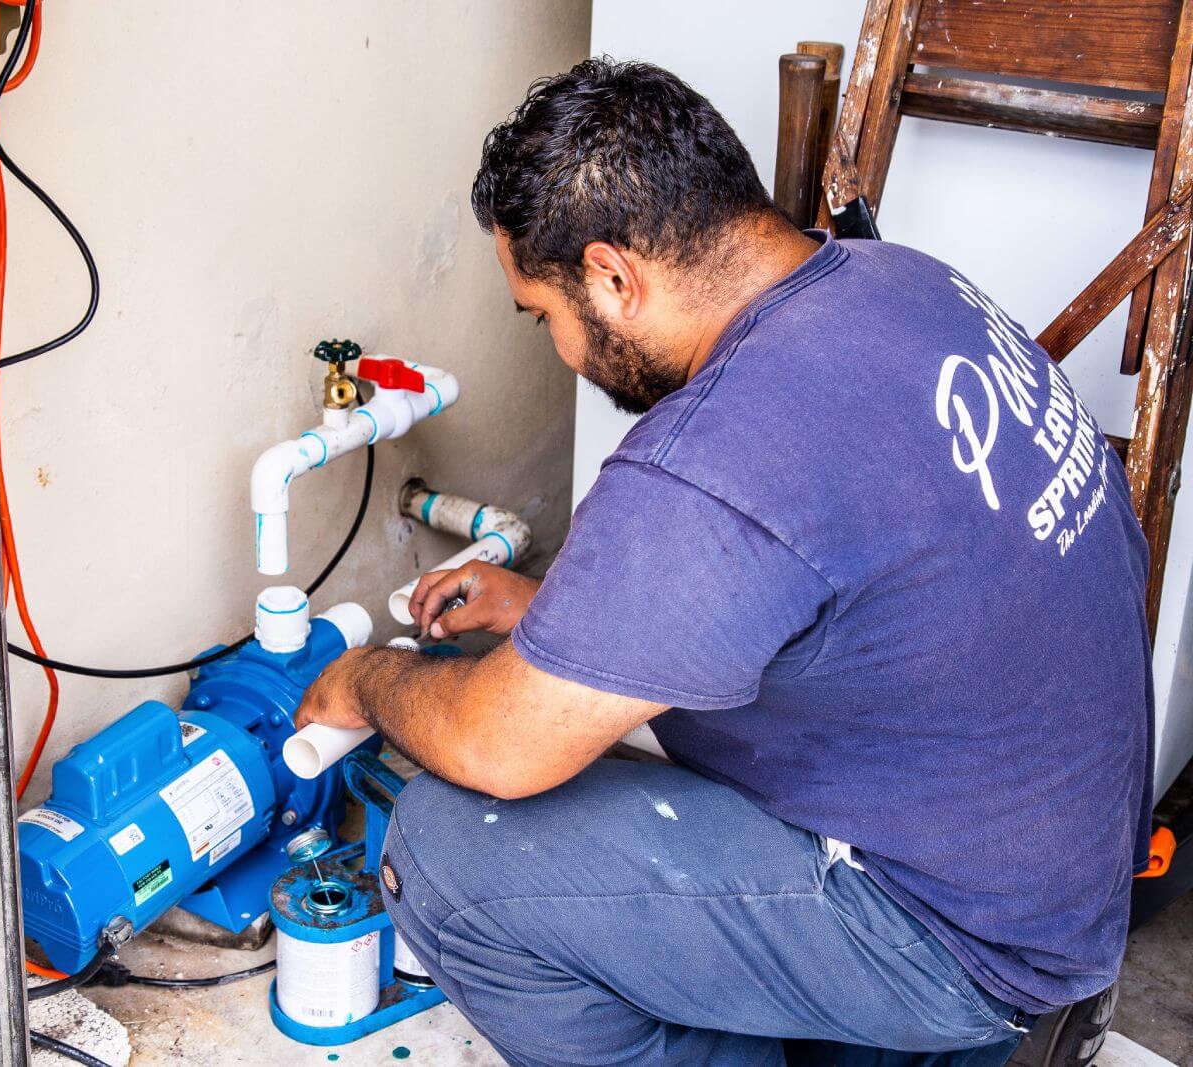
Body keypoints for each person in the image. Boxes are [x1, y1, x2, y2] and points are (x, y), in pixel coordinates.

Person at [294, 58, 1153, 1066]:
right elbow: (852, 569)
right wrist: (545, 606)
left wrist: (363, 678)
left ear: (612, 276)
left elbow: (497, 746)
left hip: (968, 947)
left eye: (546, 315)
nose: (560, 347)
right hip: (1051, 877)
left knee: (452, 852)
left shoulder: (717, 452)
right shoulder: (901, 282)